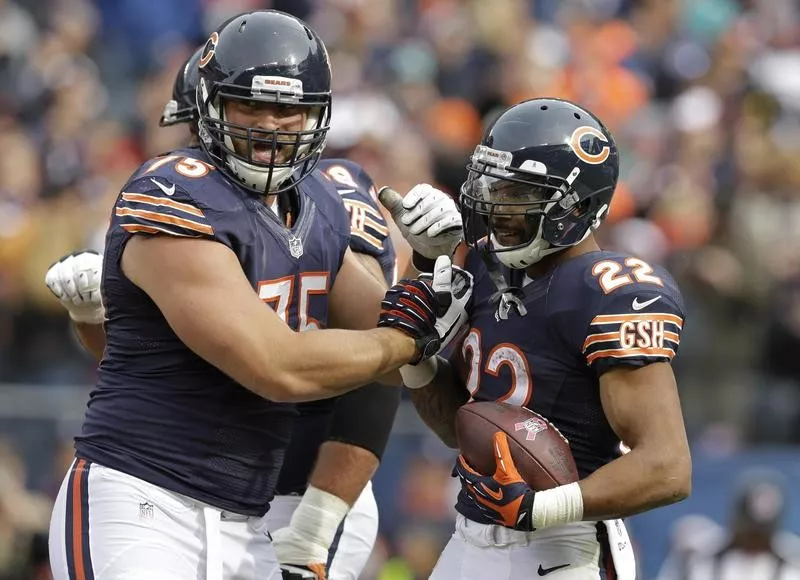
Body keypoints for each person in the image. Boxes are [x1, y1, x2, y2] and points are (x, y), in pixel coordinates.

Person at [44, 10, 465, 580]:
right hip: (146, 500)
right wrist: (403, 340)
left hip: (257, 517)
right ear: (212, 106)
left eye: (289, 109)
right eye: (251, 105)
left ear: (318, 116)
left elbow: (386, 346)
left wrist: (427, 260)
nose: (270, 126)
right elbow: (278, 366)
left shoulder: (321, 201)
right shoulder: (172, 192)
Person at [383, 97, 692, 579]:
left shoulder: (610, 291)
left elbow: (667, 467)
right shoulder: (481, 268)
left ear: (576, 204)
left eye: (518, 193)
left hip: (565, 545)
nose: (496, 207)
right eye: (493, 187)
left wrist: (540, 509)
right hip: (470, 535)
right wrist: (416, 357)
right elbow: (457, 427)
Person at [656, 470, 800, 580]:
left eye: (760, 535)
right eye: (750, 534)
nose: (753, 543)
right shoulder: (697, 555)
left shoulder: (793, 562)